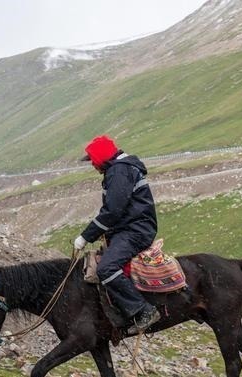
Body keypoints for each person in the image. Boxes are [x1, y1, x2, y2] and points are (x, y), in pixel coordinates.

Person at [74, 135, 160, 334]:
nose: (93, 166)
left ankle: (144, 310)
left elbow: (113, 211)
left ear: (101, 158)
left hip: (135, 230)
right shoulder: (120, 170)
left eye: (93, 161)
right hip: (129, 228)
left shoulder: (119, 172)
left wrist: (85, 236)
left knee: (106, 268)